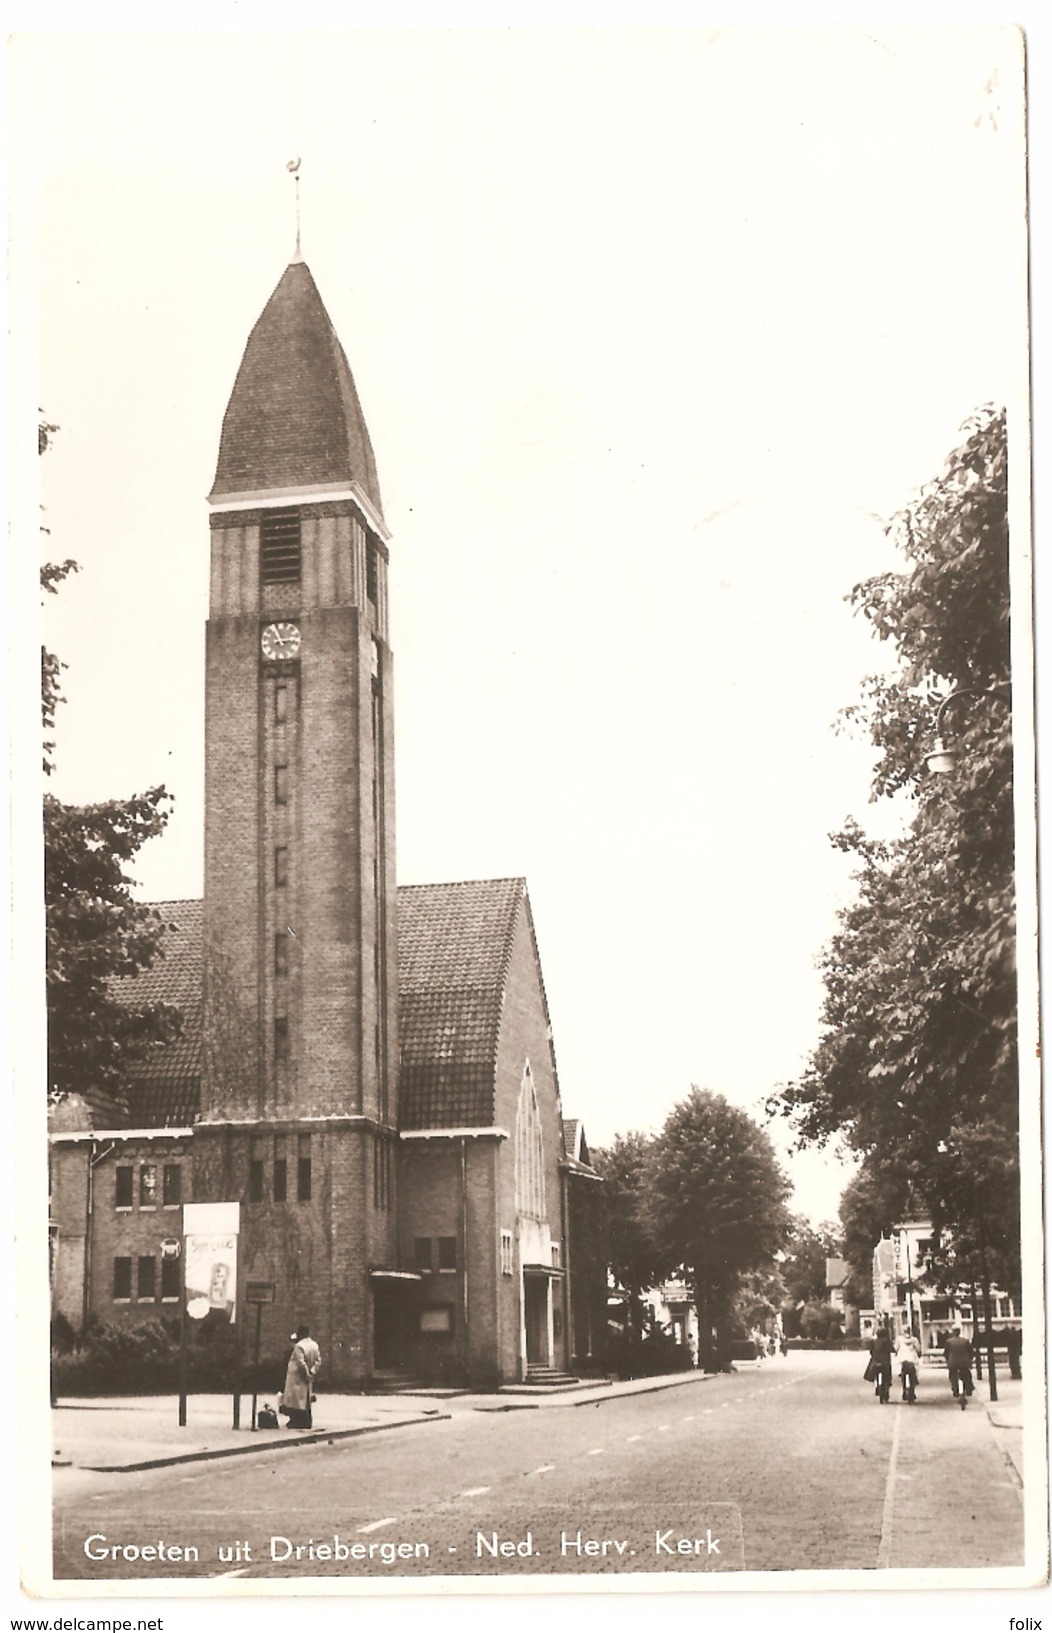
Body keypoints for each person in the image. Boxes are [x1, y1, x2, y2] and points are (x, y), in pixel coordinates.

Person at [280, 1324, 322, 1428]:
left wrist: (306, 1374)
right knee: (305, 1400)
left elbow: (300, 1362)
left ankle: (297, 1422)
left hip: (297, 1377)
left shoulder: (299, 1346)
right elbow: (318, 1361)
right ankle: (306, 1421)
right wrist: (312, 1372)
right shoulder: (314, 1345)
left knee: (296, 1401)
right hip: (307, 1378)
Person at [944, 1327, 975, 1408]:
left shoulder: (949, 1342)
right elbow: (971, 1352)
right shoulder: (965, 1341)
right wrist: (970, 1360)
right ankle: (969, 1389)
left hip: (953, 1363)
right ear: (959, 1332)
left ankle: (955, 1389)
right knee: (967, 1375)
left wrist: (948, 1360)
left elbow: (946, 1353)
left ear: (953, 1332)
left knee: (952, 1375)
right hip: (964, 1363)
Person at [895, 1328, 921, 1403]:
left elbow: (896, 1348)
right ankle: (912, 1391)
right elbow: (918, 1349)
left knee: (902, 1373)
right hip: (912, 1359)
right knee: (914, 1373)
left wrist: (896, 1353)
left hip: (902, 1359)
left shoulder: (899, 1339)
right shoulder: (914, 1340)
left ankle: (904, 1390)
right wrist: (919, 1354)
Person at [869, 1326, 893, 1403]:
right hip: (885, 1362)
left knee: (875, 1373)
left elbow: (871, 1351)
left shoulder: (874, 1341)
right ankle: (886, 1388)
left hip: (876, 1362)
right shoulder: (887, 1341)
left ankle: (876, 1386)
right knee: (887, 1377)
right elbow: (891, 1349)